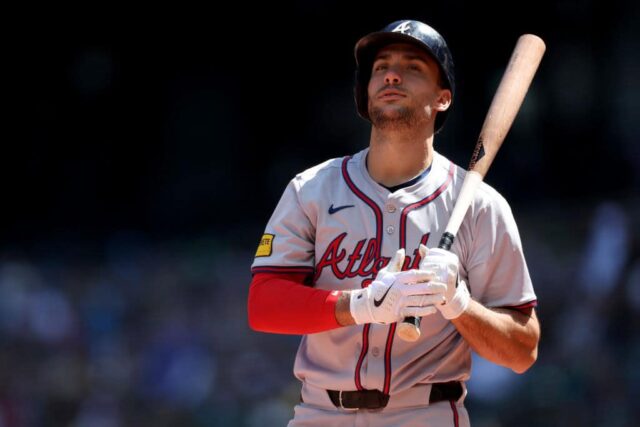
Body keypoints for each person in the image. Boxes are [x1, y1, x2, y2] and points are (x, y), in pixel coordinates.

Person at [247, 19, 539, 427]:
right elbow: (264, 305)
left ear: (443, 98)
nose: (392, 74)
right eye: (381, 66)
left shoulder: (479, 206)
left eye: (413, 66)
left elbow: (523, 349)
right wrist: (361, 304)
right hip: (319, 413)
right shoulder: (311, 189)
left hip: (426, 413)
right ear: (365, 94)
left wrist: (459, 305)